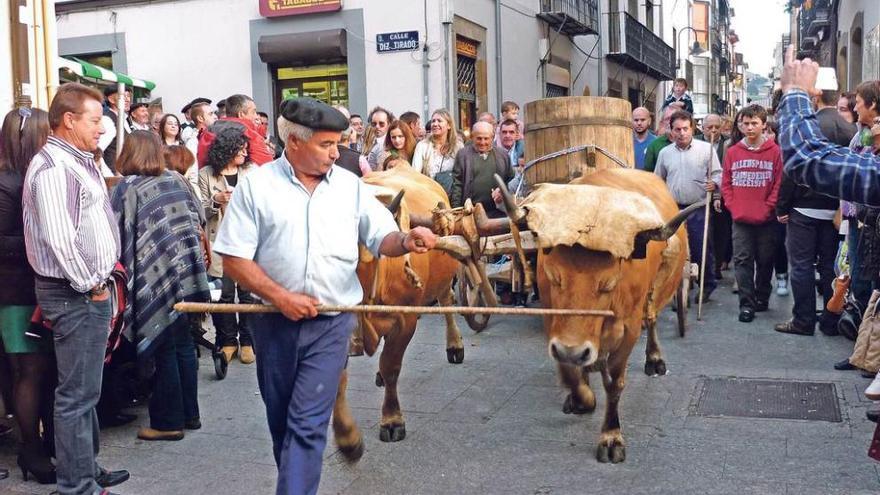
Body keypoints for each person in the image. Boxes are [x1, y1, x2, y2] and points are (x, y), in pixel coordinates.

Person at [212, 97, 437, 495]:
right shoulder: (256, 187)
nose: (337, 153)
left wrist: (405, 240)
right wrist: (280, 297)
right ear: (294, 142)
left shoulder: (350, 187)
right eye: (327, 144)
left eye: (339, 143)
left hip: (331, 324)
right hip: (272, 325)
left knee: (307, 424)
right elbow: (233, 259)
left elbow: (379, 235)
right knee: (282, 422)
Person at [22, 83, 129, 495]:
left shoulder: (76, 160)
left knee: (84, 392)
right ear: (69, 120)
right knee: (76, 397)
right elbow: (60, 240)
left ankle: (86, 470)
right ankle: (77, 485)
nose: (102, 128)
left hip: (84, 292)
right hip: (76, 293)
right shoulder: (53, 169)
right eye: (95, 119)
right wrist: (93, 285)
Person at [109, 131, 209, 442]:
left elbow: (115, 231)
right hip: (183, 271)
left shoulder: (128, 187)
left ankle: (168, 422)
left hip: (153, 278)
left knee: (164, 344)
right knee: (183, 343)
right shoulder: (176, 180)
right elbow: (199, 217)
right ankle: (190, 414)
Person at [0, 107, 56, 484]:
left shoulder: (29, 177)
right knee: (28, 372)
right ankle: (31, 452)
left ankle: (43, 447)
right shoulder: (6, 182)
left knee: (39, 372)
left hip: (34, 288)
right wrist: (44, 239)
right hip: (14, 291)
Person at [199, 126, 256, 365]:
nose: (244, 153)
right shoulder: (206, 174)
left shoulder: (252, 171)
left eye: (246, 149)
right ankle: (227, 340)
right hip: (218, 241)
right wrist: (215, 201)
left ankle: (249, 342)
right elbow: (198, 208)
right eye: (239, 149)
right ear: (227, 150)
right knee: (222, 295)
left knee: (247, 294)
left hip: (247, 240)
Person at [720, 104, 783, 323]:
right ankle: (746, 304)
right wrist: (732, 205)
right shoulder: (733, 152)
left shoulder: (775, 152)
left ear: (764, 125)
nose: (749, 127)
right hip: (741, 218)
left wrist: (769, 206)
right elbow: (726, 183)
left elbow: (778, 183)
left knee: (766, 259)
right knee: (742, 260)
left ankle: (762, 296)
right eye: (745, 123)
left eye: (754, 123)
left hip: (766, 218)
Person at [654, 110, 721, 302]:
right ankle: (673, 287)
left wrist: (714, 183)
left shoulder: (706, 149)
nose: (682, 133)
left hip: (698, 207)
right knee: (673, 249)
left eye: (685, 128)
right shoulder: (664, 153)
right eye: (677, 129)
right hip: (673, 209)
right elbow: (658, 179)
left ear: (692, 128)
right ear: (671, 131)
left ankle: (706, 285)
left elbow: (718, 173)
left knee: (701, 247)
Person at [449, 121, 514, 218]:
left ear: (492, 137)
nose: (482, 142)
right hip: (471, 213)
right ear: (472, 137)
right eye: (479, 138)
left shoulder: (503, 155)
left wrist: (503, 192)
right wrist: (456, 212)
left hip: (499, 212)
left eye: (486, 138)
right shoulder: (463, 155)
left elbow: (511, 181)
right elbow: (457, 184)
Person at [207, 94, 273, 166]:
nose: (256, 116)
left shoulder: (209, 130)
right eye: (253, 112)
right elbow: (267, 166)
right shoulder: (251, 135)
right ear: (241, 114)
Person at [412, 109, 463, 196]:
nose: (435, 124)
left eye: (439, 121)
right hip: (428, 195)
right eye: (433, 121)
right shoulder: (422, 146)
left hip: (452, 197)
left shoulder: (458, 146)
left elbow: (462, 174)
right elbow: (415, 174)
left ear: (449, 125)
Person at [98, 86, 131, 173]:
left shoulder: (126, 119)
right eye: (123, 96)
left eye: (128, 96)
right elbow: (97, 152)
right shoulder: (107, 120)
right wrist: (108, 174)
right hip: (113, 174)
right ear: (111, 99)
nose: (127, 100)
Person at [643, 106, 677, 172]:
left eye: (674, 118)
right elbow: (648, 174)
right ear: (662, 122)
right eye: (667, 119)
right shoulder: (654, 146)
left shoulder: (690, 144)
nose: (670, 122)